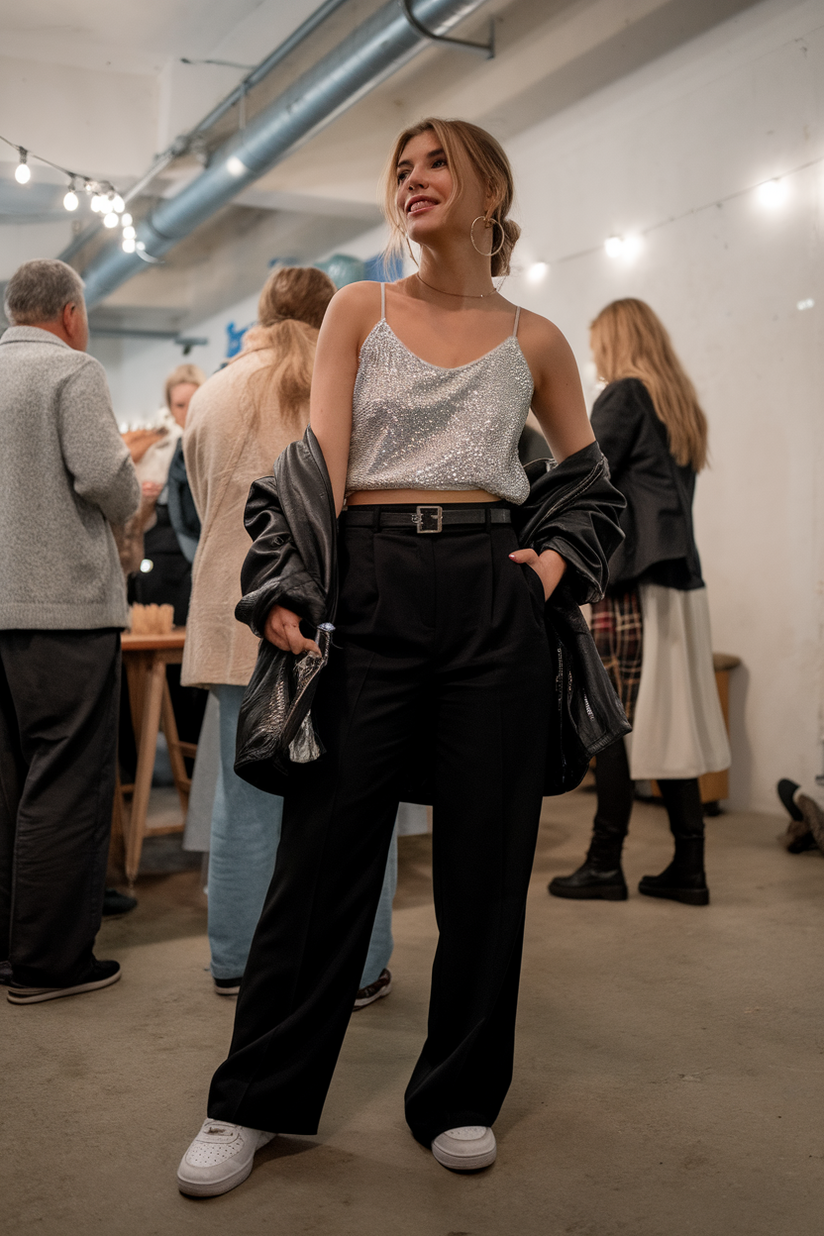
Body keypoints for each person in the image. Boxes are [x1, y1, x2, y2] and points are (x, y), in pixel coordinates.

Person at [176, 116, 625, 1196]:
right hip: (371, 582)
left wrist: (548, 571)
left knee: (484, 858)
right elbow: (320, 464)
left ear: (489, 194)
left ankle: (459, 1096)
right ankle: (252, 1102)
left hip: (491, 593)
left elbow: (591, 485)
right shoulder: (355, 309)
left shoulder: (537, 339)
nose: (413, 179)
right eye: (402, 167)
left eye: (437, 163)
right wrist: (290, 582)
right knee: (324, 854)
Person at [181, 266, 397, 1002]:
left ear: (261, 315)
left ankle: (236, 963)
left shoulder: (211, 392)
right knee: (361, 797)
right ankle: (361, 968)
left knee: (241, 802)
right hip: (329, 614)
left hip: (227, 614)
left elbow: (198, 504)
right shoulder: (344, 380)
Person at [549, 298, 730, 908]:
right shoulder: (679, 404)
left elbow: (583, 476)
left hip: (629, 585)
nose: (595, 354)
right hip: (678, 582)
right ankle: (690, 865)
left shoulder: (624, 394)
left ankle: (605, 863)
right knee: (667, 720)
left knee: (611, 722)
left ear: (616, 341)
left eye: (599, 342)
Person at [0, 259, 140, 1003]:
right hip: (61, 608)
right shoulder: (71, 371)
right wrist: (134, 485)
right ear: (70, 313)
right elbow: (105, 480)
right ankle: (49, 963)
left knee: (10, 785)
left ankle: (8, 948)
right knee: (66, 785)